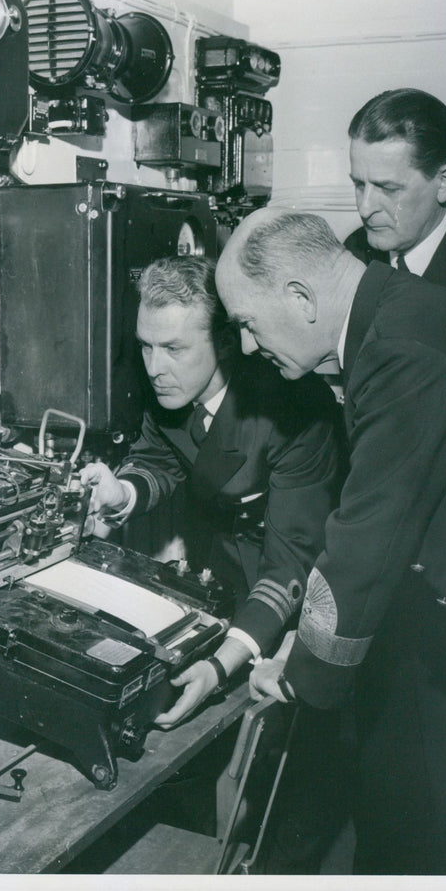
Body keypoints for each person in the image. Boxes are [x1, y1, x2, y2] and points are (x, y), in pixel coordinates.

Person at [215, 207, 446, 875]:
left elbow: (368, 535)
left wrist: (303, 671)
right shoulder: (398, 315)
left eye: (248, 323)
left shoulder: (397, 354)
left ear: (301, 298)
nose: (248, 348)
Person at [80, 255, 344, 727]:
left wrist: (220, 665)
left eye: (174, 348)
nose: (154, 367)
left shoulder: (295, 409)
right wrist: (122, 492)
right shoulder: (171, 389)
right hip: (222, 578)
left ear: (224, 344)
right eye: (146, 347)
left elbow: (292, 562)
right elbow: (159, 459)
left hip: (299, 594)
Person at [346, 88, 446, 357]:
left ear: (444, 182)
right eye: (358, 184)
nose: (365, 209)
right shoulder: (353, 252)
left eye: (387, 188)